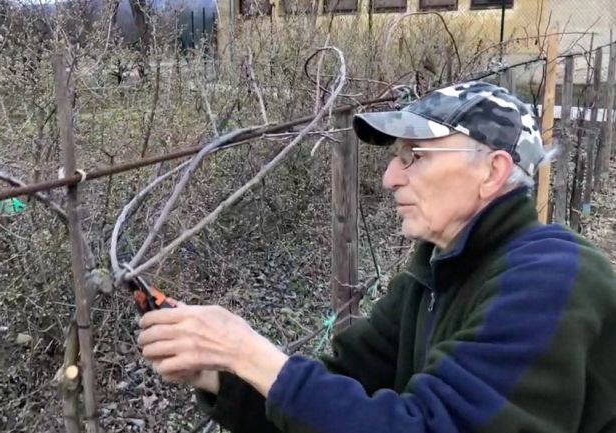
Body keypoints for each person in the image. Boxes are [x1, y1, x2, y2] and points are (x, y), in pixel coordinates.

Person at [137, 81, 616, 433]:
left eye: (414, 156)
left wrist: (247, 351)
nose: (390, 177)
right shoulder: (436, 271)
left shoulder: (551, 282)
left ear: (492, 172)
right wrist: (219, 372)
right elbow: (337, 399)